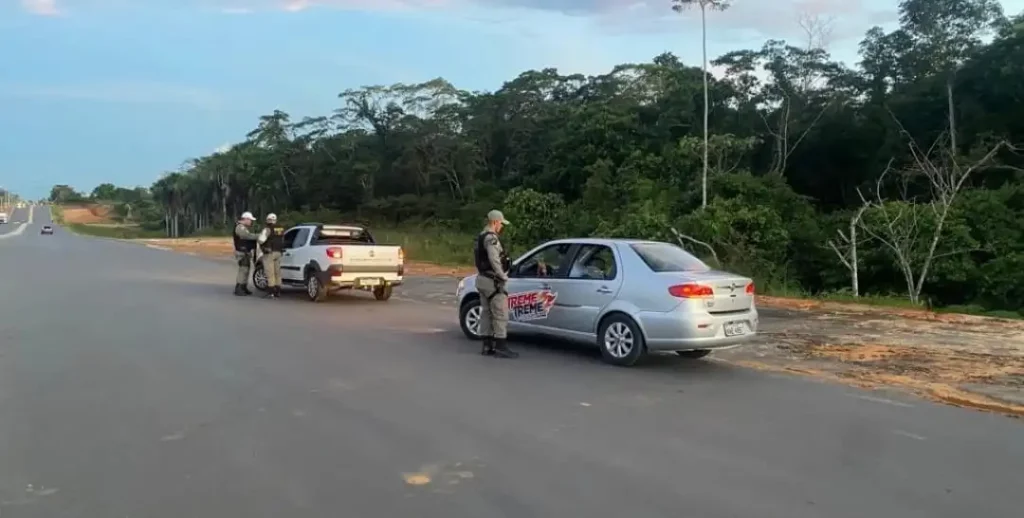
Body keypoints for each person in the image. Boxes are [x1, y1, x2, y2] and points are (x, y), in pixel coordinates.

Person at [474, 209, 518, 358]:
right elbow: (494, 259)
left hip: (482, 279)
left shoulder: (481, 236)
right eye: (501, 223)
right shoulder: (491, 239)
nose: (501, 226)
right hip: (493, 281)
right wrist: (502, 276)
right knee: (500, 314)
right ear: (495, 222)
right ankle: (501, 346)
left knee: (486, 313)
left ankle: (486, 345)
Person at [257, 213, 285, 298]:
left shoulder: (267, 229)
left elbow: (261, 240)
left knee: (270, 273)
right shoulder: (281, 228)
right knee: (277, 272)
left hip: (269, 252)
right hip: (279, 252)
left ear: (268, 220)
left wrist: (258, 239)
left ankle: (271, 292)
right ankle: (278, 291)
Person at [232, 211, 259, 296]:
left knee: (246, 270)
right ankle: (239, 288)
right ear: (246, 219)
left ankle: (243, 287)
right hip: (241, 252)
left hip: (245, 251)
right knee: (243, 270)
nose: (251, 222)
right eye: (250, 220)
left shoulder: (244, 227)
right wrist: (258, 236)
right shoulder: (240, 227)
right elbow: (247, 236)